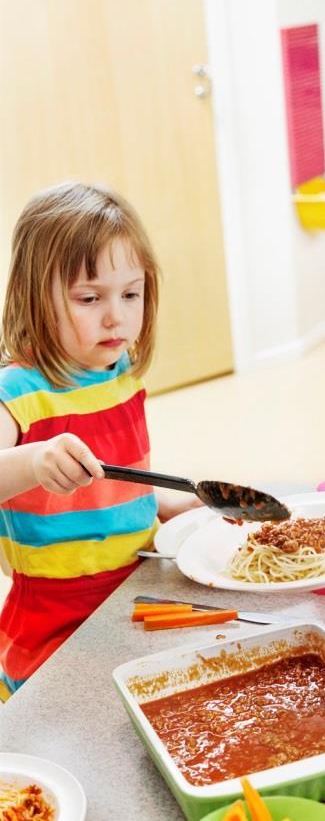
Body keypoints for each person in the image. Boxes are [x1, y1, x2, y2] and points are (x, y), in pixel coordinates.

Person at [0, 182, 199, 699]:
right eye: (89, 298)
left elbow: (119, 490)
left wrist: (178, 504)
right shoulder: (17, 392)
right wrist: (33, 461)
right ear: (32, 297)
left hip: (136, 592)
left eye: (130, 294)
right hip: (54, 623)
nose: (116, 317)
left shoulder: (120, 373)